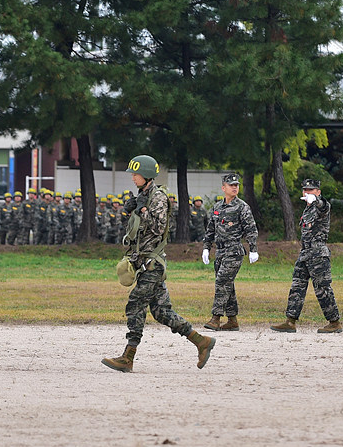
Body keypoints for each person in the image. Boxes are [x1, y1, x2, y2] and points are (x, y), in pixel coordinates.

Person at [102, 154, 215, 372]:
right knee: (162, 312)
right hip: (143, 263)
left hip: (152, 264)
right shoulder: (143, 195)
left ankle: (128, 357)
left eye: (135, 174)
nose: (133, 178)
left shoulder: (158, 198)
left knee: (135, 304)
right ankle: (201, 342)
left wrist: (143, 210)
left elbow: (157, 227)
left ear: (146, 175)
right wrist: (132, 210)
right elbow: (136, 230)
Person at [270, 179, 342, 334]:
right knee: (297, 286)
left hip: (317, 254)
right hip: (305, 254)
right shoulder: (307, 210)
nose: (307, 192)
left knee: (322, 288)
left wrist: (317, 201)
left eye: (311, 190)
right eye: (305, 190)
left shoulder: (322, 206)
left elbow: (323, 206)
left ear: (318, 192)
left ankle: (334, 322)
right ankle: (290, 321)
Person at [201, 173, 259, 331]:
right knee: (228, 285)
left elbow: (251, 230)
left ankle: (216, 318)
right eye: (231, 185)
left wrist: (253, 249)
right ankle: (232, 320)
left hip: (234, 251)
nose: (235, 187)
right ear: (223, 188)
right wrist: (206, 247)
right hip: (220, 251)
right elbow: (210, 230)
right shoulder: (217, 207)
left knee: (221, 282)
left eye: (237, 185)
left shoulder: (242, 207)